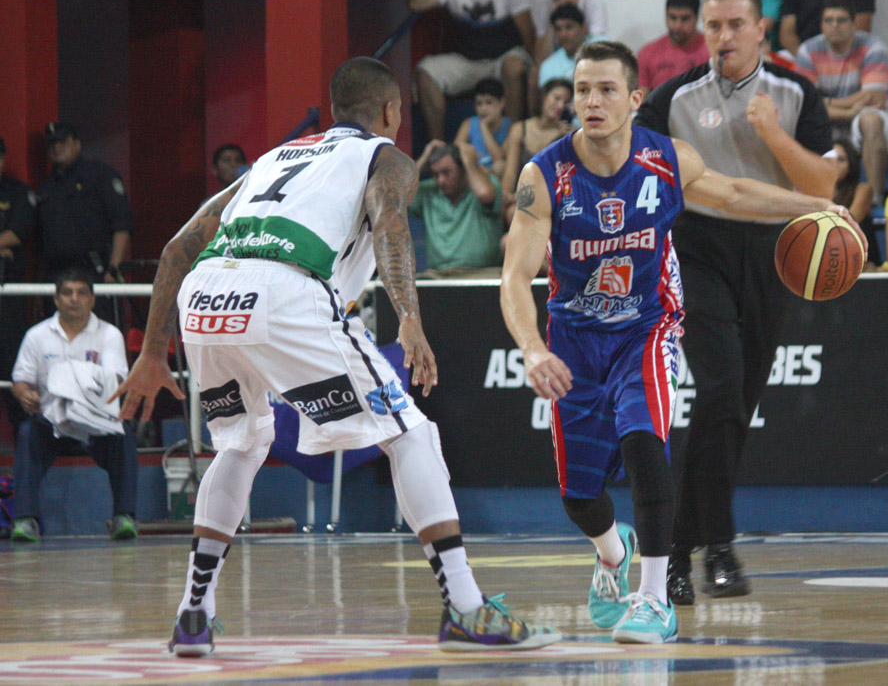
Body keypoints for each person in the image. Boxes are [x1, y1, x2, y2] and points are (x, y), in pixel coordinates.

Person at [110, 57, 560, 656]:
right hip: (286, 290)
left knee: (241, 446)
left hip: (207, 297)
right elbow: (391, 223)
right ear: (391, 111)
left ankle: (194, 616)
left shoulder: (272, 158)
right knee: (410, 433)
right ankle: (466, 608)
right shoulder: (384, 156)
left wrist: (152, 353)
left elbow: (175, 249)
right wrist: (409, 318)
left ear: (332, 109)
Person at [500, 39, 862, 645]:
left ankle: (652, 599)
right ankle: (612, 553)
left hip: (648, 325)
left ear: (634, 99)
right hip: (575, 338)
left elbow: (736, 193)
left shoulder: (667, 159)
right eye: (583, 90)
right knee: (579, 497)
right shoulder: (544, 176)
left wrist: (819, 204)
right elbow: (514, 277)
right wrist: (534, 349)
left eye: (606, 89)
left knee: (646, 443)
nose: (592, 101)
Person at [634, 0, 841, 605]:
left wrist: (774, 135)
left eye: (734, 25)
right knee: (721, 388)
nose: (722, 37)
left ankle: (678, 544)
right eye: (713, 26)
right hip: (695, 248)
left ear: (760, 30)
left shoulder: (795, 93)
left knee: (735, 407)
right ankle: (713, 547)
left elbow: (823, 186)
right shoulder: (672, 98)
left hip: (773, 252)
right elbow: (634, 167)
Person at [9, 269, 137, 542]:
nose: (74, 299)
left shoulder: (109, 334)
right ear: (56, 299)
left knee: (124, 435)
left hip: (96, 420)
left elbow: (117, 379)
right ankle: (25, 519)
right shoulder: (37, 335)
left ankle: (123, 516)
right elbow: (20, 380)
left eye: (81, 293)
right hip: (51, 420)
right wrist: (25, 395)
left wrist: (82, 384)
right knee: (28, 433)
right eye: (67, 293)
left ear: (92, 299)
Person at [409, 0, 535, 139]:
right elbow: (416, 3)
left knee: (513, 67)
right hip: (469, 61)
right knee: (425, 71)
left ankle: (512, 142)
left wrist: (536, 66)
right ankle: (438, 145)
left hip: (504, 57)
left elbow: (528, 30)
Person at [795, 0, 888, 203]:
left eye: (841, 20)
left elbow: (873, 97)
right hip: (828, 119)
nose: (834, 26)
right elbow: (807, 105)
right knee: (793, 120)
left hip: (866, 116)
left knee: (870, 120)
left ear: (853, 23)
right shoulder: (807, 50)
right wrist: (849, 110)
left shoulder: (873, 46)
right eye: (828, 20)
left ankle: (873, 200)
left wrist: (826, 102)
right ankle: (805, 200)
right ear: (821, 24)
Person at [37, 122, 134, 320]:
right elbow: (41, 241)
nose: (57, 147)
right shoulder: (46, 187)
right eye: (52, 144)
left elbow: (122, 225)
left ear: (77, 144)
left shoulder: (99, 175)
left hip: (94, 271)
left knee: (99, 331)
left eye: (63, 142)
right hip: (56, 274)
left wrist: (113, 269)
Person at [412, 141, 504, 277]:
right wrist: (424, 157)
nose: (441, 180)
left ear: (463, 169)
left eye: (447, 172)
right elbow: (395, 198)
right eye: (436, 174)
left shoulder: (486, 183)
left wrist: (469, 161)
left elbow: (485, 194)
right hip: (438, 276)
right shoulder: (428, 191)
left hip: (482, 273)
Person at [501, 78, 574, 227]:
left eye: (566, 103)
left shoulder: (568, 136)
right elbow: (510, 172)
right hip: (521, 195)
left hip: (550, 196)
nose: (560, 106)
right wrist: (506, 195)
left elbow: (551, 175)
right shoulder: (520, 128)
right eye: (557, 98)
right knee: (510, 212)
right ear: (544, 96)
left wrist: (560, 139)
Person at [0, 136, 35, 435]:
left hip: (8, 294)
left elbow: (18, 233)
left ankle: (25, 437)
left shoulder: (17, 192)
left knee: (11, 363)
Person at [530, 0, 610, 66]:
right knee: (535, 71)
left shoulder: (593, 4)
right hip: (557, 63)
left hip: (585, 60)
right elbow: (540, 59)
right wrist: (552, 22)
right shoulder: (545, 9)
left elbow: (597, 47)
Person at [636, 0, 710, 97]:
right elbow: (641, 100)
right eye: (673, 18)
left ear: (697, 18)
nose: (677, 26)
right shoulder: (647, 54)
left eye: (685, 19)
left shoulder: (711, 52)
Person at [831, 138, 881, 270]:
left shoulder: (863, 189)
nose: (834, 163)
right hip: (830, 262)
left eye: (841, 159)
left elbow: (849, 222)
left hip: (862, 262)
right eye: (830, 158)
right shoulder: (815, 193)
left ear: (851, 164)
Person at [538, 4, 607, 88]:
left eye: (569, 27)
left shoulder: (603, 48)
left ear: (584, 28)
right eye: (558, 29)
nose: (563, 34)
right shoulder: (549, 67)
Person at [453, 78, 511, 177]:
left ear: (501, 103)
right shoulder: (469, 123)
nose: (483, 108)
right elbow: (456, 150)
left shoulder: (510, 127)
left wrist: (484, 127)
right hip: (474, 169)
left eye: (489, 103)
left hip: (494, 172)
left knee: (500, 166)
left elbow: (499, 157)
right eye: (479, 104)